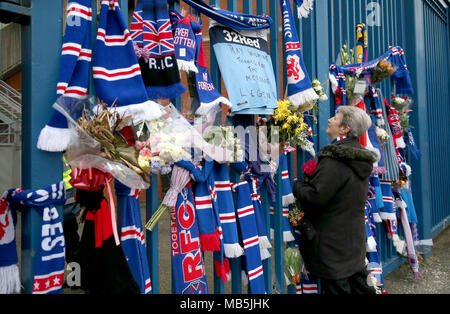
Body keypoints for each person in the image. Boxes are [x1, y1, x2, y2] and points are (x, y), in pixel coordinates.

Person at [293, 106, 378, 295]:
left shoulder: (336, 158)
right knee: (361, 286)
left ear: (345, 129)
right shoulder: (360, 157)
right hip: (352, 241)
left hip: (332, 245)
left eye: (335, 117)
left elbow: (316, 196)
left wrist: (297, 185)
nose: (330, 119)